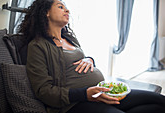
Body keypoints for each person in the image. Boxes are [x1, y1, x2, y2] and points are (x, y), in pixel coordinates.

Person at [19, 0, 165, 113]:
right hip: (74, 104)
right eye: (60, 7)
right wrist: (85, 94)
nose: (67, 9)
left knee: (159, 101)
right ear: (46, 12)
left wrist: (90, 60)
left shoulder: (69, 38)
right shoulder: (38, 46)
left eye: (66, 7)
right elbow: (43, 91)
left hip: (99, 92)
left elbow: (77, 60)